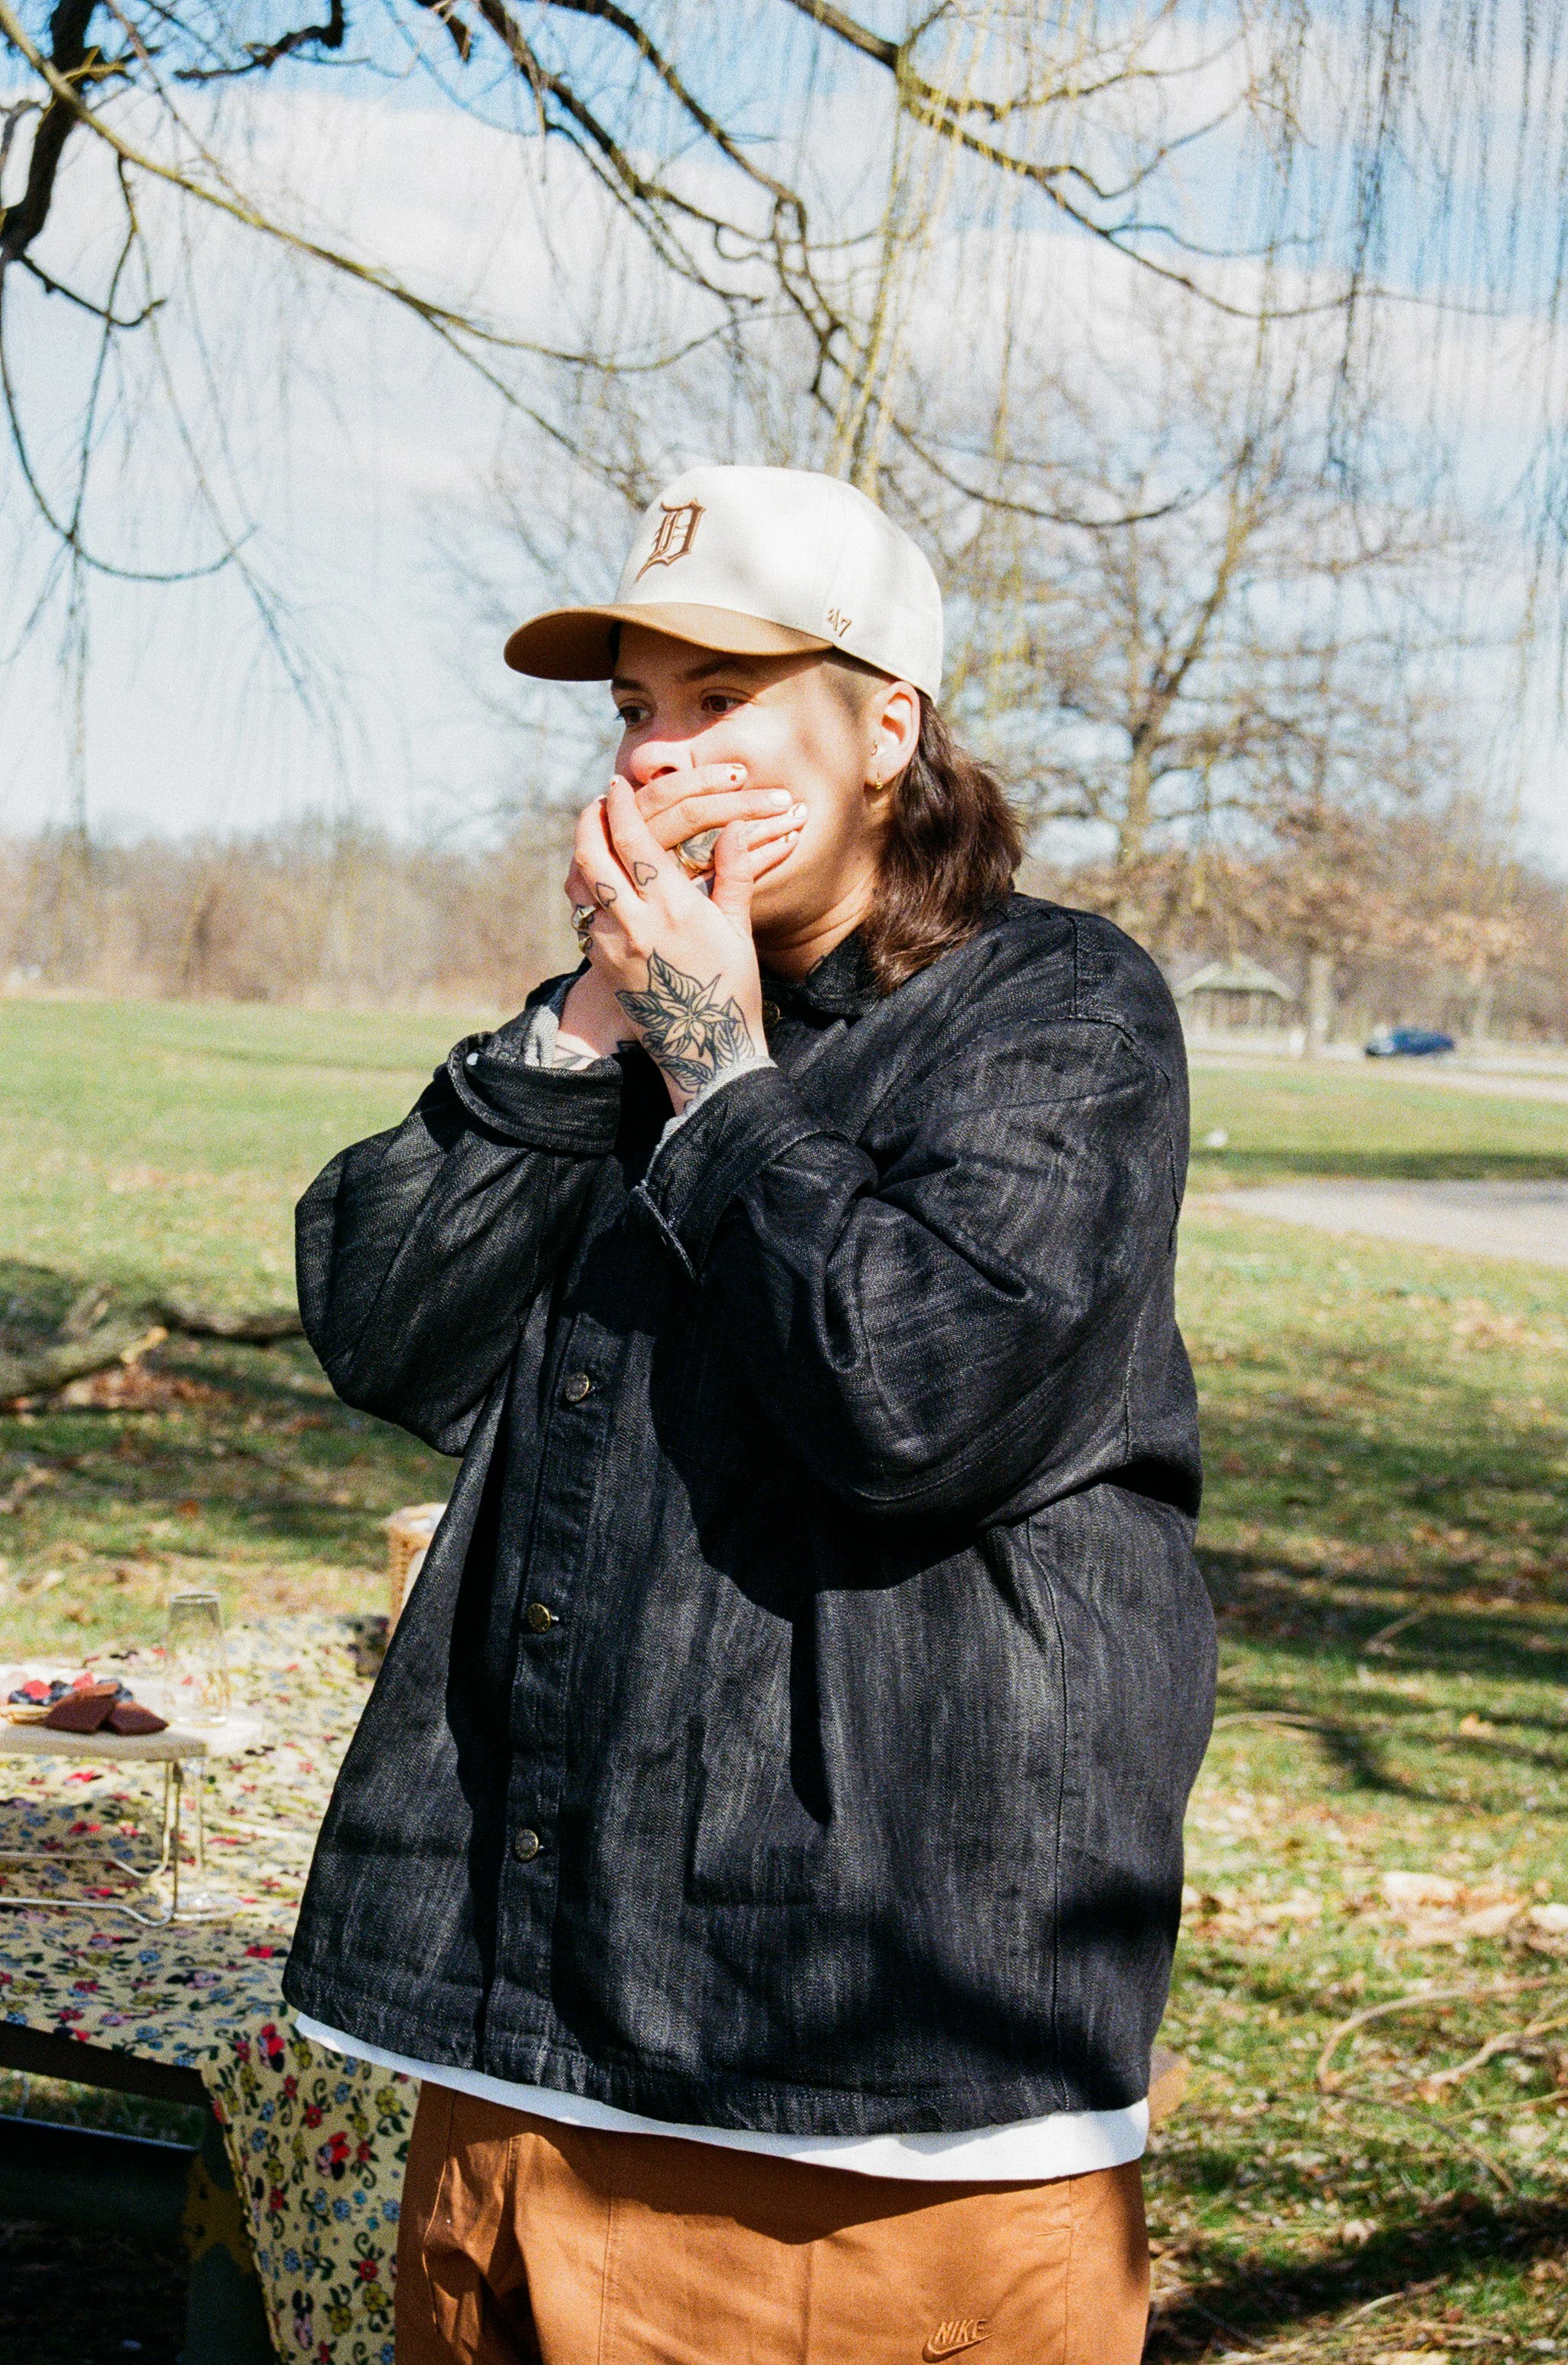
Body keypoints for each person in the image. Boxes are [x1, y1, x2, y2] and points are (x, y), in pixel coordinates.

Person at [283, 464, 1215, 2365]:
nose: (661, 754)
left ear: (887, 729)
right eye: (637, 707)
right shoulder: (631, 1019)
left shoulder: (1058, 1011)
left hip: (864, 2084)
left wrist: (718, 1067)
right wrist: (587, 1028)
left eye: (723, 696)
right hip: (521, 2041)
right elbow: (386, 1332)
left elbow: (913, 1400)